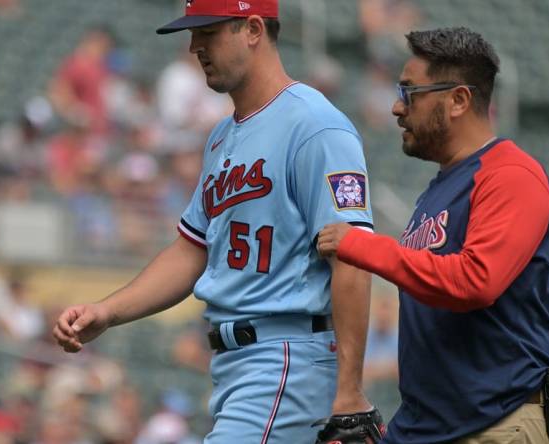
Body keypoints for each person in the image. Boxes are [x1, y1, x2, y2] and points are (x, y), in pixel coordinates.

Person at [54, 1, 379, 441]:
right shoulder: (222, 136)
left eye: (208, 32)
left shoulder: (315, 125)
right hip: (238, 367)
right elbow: (192, 250)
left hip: (287, 358)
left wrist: (350, 390)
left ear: (252, 29)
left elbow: (353, 256)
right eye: (192, 34)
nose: (194, 47)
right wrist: (107, 312)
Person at [317, 27, 549, 443]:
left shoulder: (511, 174)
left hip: (497, 424)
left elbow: (475, 282)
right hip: (430, 427)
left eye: (410, 91)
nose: (397, 106)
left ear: (458, 100)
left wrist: (359, 245)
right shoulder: (438, 190)